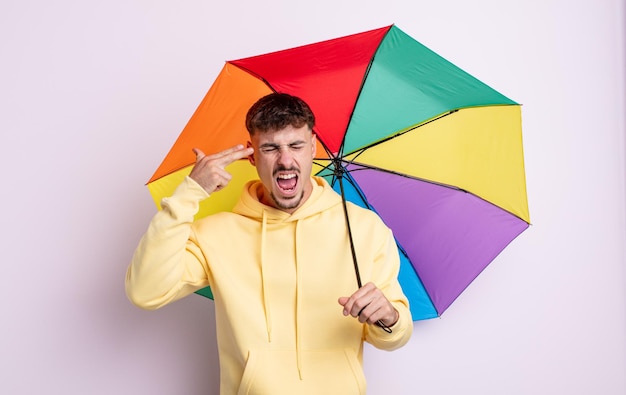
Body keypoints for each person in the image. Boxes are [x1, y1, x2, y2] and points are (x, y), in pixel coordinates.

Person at [126, 93, 412, 394]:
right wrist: (190, 193)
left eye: (296, 146)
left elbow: (395, 335)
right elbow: (145, 292)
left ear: (312, 147)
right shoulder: (216, 234)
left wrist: (389, 317)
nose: (285, 160)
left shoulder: (364, 228)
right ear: (252, 155)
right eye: (271, 148)